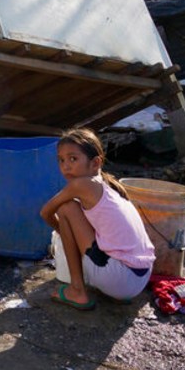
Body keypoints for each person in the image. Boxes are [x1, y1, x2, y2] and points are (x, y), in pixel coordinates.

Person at [39, 127, 154, 310]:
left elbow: (45, 212)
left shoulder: (82, 185)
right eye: (61, 160)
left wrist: (66, 236)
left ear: (95, 163)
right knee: (74, 212)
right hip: (140, 279)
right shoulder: (109, 188)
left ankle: (77, 290)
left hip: (120, 278)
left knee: (66, 208)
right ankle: (107, 289)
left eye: (73, 158)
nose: (65, 166)